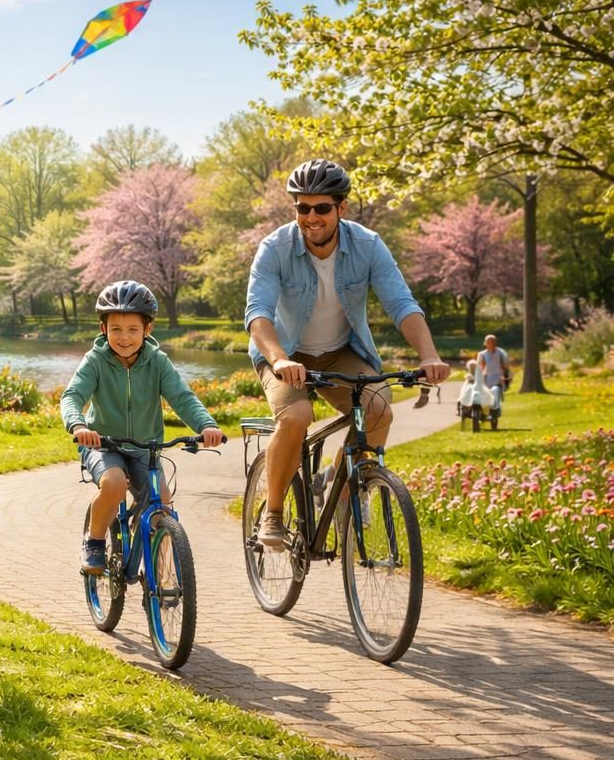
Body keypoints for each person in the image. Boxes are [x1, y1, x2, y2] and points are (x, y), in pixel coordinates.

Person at [245, 159, 450, 549]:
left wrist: (429, 356)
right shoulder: (275, 248)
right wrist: (279, 360)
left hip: (342, 352)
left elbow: (401, 304)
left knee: (378, 410)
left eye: (321, 207)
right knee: (297, 417)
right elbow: (258, 314)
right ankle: (272, 515)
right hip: (284, 354)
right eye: (302, 207)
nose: (311, 217)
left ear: (342, 208)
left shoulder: (368, 245)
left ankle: (341, 490)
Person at [62, 281, 225, 574]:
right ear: (104, 330)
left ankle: (163, 580)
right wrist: (78, 424)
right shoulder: (95, 361)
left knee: (161, 503)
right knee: (114, 484)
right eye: (116, 329)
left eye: (132, 330)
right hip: (103, 445)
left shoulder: (158, 363)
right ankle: (95, 541)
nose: (124, 337)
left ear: (147, 330)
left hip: (144, 448)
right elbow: (73, 396)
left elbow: (182, 398)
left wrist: (207, 425)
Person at [478, 334, 510, 411]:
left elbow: (506, 367)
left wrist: (505, 376)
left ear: (495, 343)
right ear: (485, 343)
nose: (490, 344)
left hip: (498, 379)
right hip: (487, 379)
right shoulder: (482, 354)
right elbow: (480, 368)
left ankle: (496, 409)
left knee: (495, 392)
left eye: (492, 342)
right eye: (488, 342)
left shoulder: (501, 353)